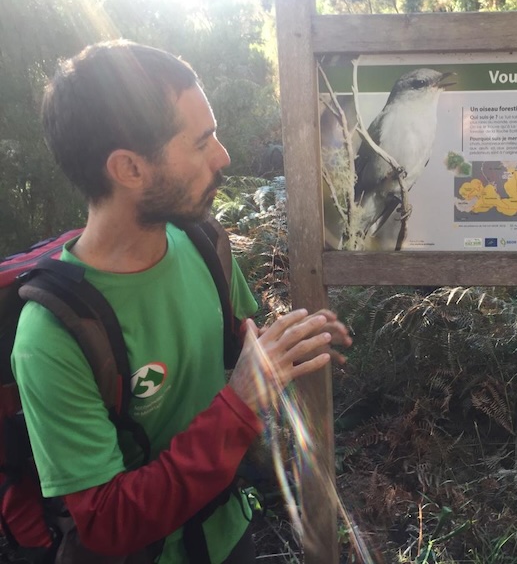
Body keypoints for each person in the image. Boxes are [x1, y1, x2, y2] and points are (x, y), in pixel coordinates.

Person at [11, 40, 351, 563]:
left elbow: (239, 339)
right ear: (129, 169)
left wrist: (293, 341)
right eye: (201, 142)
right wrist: (239, 403)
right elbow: (104, 522)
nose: (224, 157)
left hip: (229, 528)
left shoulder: (201, 242)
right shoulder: (52, 333)